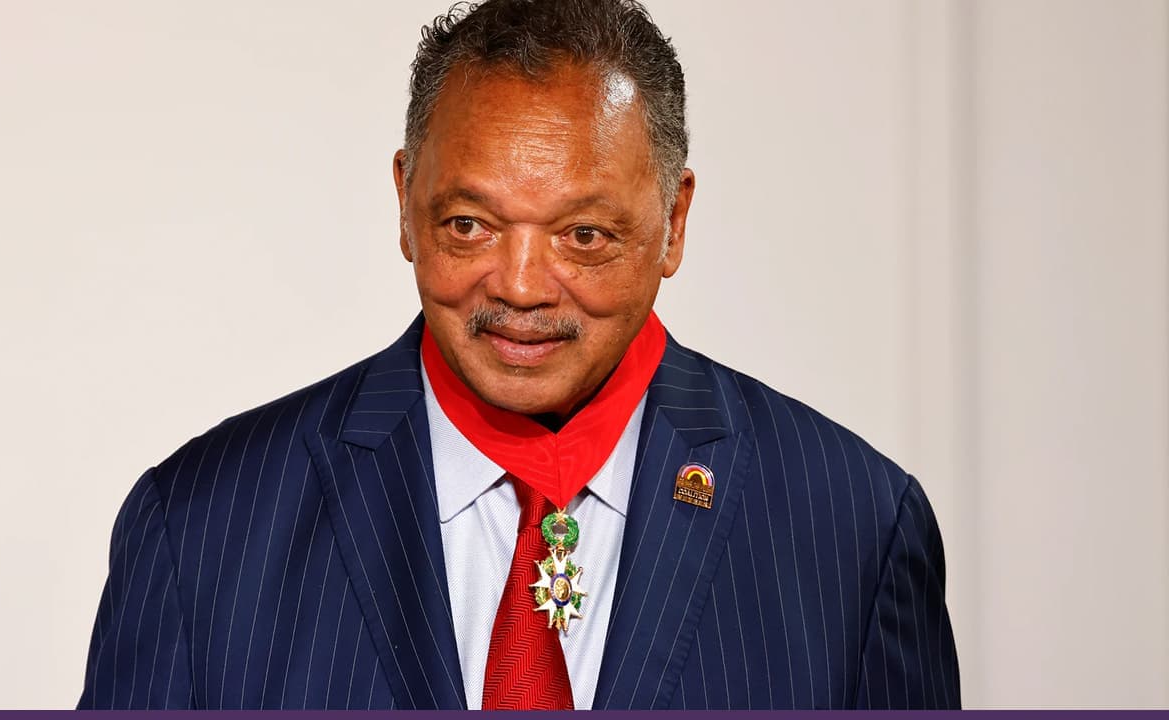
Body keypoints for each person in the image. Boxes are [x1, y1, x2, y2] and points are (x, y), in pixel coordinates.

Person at [77, 0, 959, 710]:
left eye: (584, 235)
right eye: (469, 225)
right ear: (404, 202)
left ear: (674, 222)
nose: (523, 287)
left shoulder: (855, 531)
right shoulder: (199, 528)